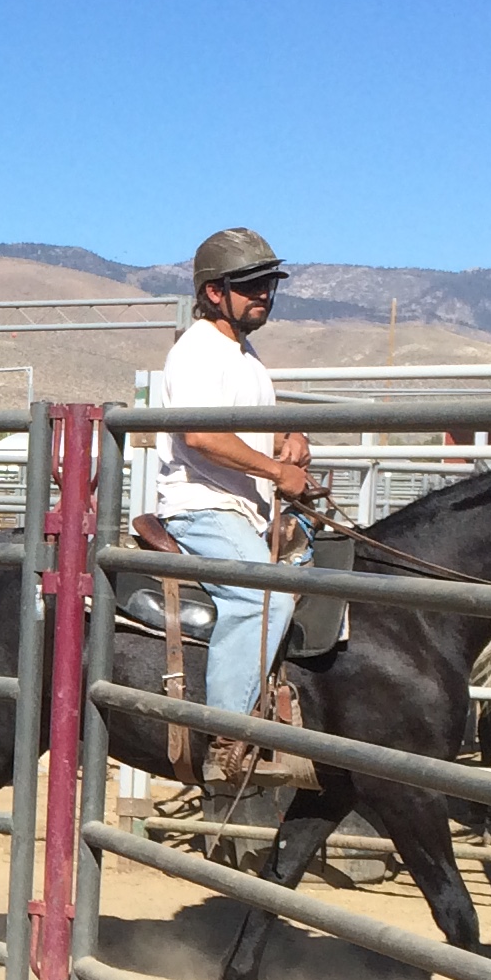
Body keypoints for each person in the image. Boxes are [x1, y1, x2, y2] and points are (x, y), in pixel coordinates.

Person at [146, 228, 320, 774]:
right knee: (260, 598)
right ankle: (227, 735)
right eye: (250, 286)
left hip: (243, 505)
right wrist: (276, 470)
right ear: (214, 292)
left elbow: (238, 426)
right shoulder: (198, 352)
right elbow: (202, 436)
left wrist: (285, 440)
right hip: (202, 505)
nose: (263, 294)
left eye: (268, 284)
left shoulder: (244, 353)